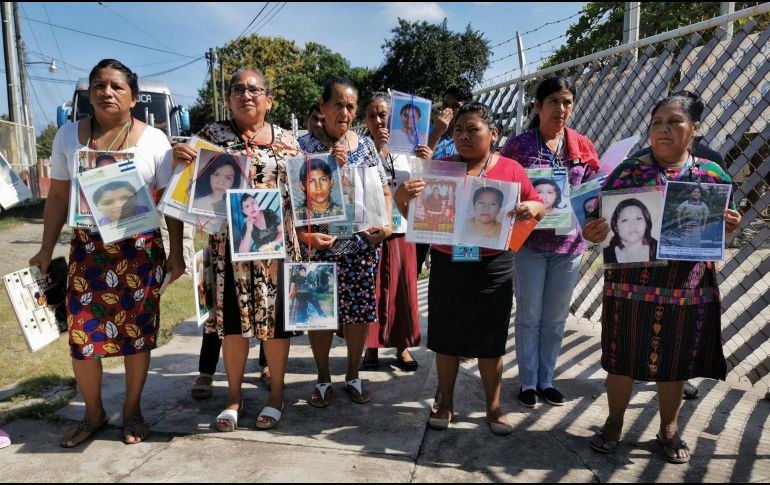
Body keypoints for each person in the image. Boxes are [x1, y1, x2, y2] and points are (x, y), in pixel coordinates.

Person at [29, 59, 185, 447]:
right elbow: (59, 196)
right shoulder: (69, 137)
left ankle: (132, 411)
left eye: (117, 86)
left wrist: (177, 252)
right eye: (99, 85)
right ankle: (93, 412)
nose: (106, 92)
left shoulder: (155, 141)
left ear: (133, 97)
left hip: (140, 252)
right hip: (88, 253)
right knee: (82, 336)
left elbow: (170, 201)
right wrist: (45, 249)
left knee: (137, 335)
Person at [582, 93, 741, 464]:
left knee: (675, 359)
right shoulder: (629, 172)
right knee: (621, 358)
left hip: (685, 286)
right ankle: (614, 423)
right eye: (657, 123)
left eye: (674, 122)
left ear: (695, 130)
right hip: (630, 286)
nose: (664, 130)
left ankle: (669, 428)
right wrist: (594, 231)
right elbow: (599, 224)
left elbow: (727, 228)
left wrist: (731, 227)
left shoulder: (711, 175)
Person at [395, 102, 545, 435]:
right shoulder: (439, 168)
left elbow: (539, 207)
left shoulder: (511, 170)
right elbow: (415, 221)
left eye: (472, 129)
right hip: (450, 264)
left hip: (494, 266)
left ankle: (493, 407)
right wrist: (402, 197)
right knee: (446, 338)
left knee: (490, 341)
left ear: (493, 134)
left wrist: (532, 206)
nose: (463, 135)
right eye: (458, 129)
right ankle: (445, 401)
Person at [172, 67, 303, 430]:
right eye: (238, 89)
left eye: (254, 89)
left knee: (275, 328)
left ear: (269, 99)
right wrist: (179, 161)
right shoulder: (211, 137)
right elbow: (187, 190)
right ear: (229, 98)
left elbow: (306, 196)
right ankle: (233, 396)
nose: (246, 95)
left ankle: (276, 394)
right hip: (228, 248)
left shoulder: (290, 142)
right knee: (231, 325)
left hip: (276, 251)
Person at [500, 76, 600, 408]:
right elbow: (502, 187)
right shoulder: (519, 147)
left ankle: (547, 379)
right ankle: (528, 382)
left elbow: (592, 194)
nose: (561, 109)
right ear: (538, 106)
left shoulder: (582, 146)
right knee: (529, 315)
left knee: (555, 318)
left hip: (569, 248)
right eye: (554, 101)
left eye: (567, 102)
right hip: (529, 245)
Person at [297, 76, 393, 406]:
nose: (345, 111)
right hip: (317, 249)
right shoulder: (303, 147)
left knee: (358, 315)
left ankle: (353, 373)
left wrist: (388, 224)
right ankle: (323, 377)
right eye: (338, 104)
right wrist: (303, 235)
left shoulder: (365, 145)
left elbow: (383, 190)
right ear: (322, 107)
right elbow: (290, 198)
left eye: (351, 106)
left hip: (360, 247)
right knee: (318, 313)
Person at [360, 92, 432, 372]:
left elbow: (425, 187)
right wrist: (377, 151)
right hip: (373, 230)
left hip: (403, 227)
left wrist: (424, 160)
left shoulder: (409, 148)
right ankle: (371, 347)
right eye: (372, 115)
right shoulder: (361, 149)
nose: (378, 121)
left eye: (383, 115)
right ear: (364, 120)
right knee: (373, 290)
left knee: (403, 288)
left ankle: (402, 348)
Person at [418, 85, 474, 276]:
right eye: (444, 104)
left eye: (455, 106)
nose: (447, 110)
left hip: (460, 212)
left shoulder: (469, 138)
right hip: (429, 211)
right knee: (420, 263)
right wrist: (437, 132)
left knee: (462, 267)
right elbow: (418, 168)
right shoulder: (426, 133)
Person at [602, 198, 658, 264]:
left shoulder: (660, 249)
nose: (633, 224)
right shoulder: (604, 255)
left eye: (638, 218)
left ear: (646, 224)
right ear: (616, 227)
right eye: (625, 220)